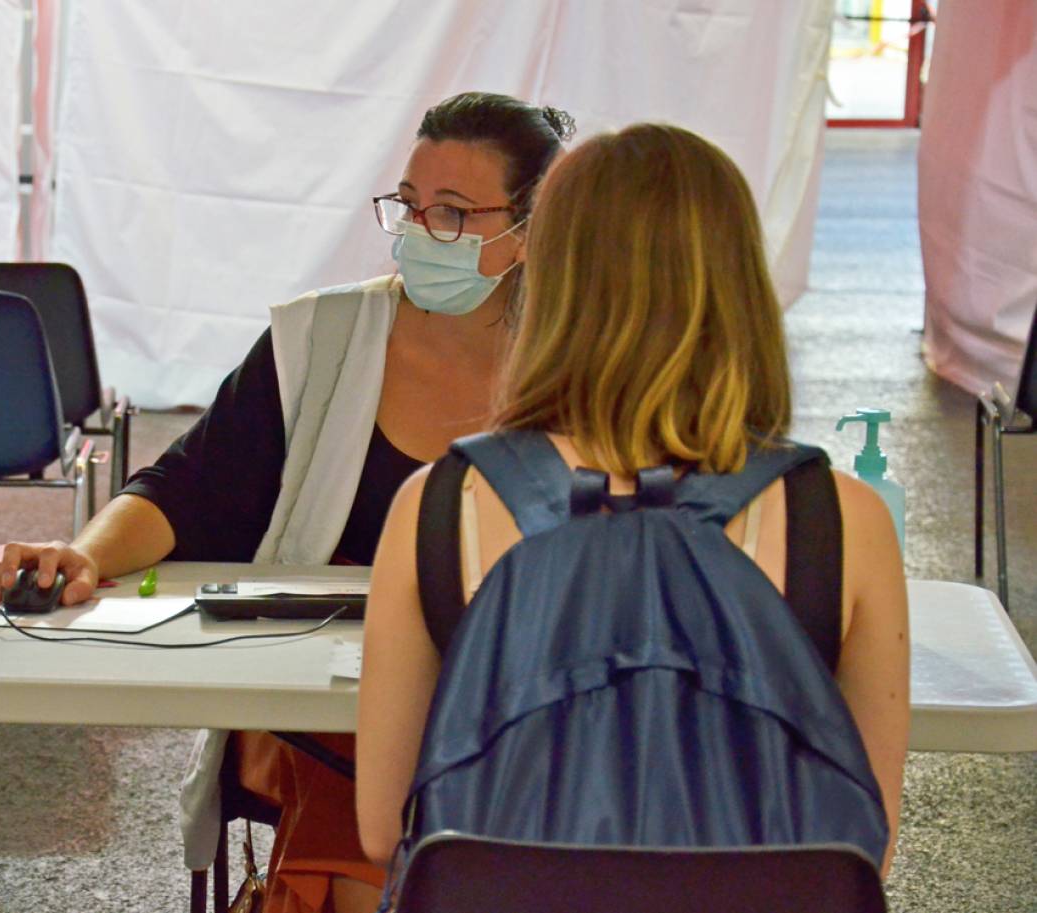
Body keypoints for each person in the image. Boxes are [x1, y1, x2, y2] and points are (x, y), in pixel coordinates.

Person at [0, 92, 574, 912]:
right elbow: (186, 488)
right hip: (327, 697)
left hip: (518, 683)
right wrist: (86, 555)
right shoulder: (322, 338)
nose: (417, 231)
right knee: (381, 783)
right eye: (407, 205)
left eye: (452, 212)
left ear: (529, 227)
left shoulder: (578, 357)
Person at [356, 123, 910, 878]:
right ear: (739, 286)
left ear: (547, 284)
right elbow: (862, 844)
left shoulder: (441, 504)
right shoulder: (840, 518)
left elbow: (383, 827)